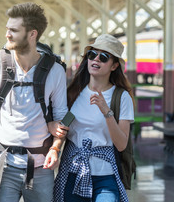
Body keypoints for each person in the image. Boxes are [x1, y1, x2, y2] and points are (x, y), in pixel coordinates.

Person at [0, 2, 68, 202]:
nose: (7, 34)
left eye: (14, 30)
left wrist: (56, 148)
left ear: (32, 34)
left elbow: (62, 117)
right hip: (2, 164)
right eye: (7, 29)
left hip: (41, 167)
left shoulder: (55, 71)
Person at [53, 34, 135, 202]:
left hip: (106, 176)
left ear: (114, 66)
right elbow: (64, 128)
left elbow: (121, 144)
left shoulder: (121, 97)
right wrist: (54, 148)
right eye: (92, 55)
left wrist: (107, 112)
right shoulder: (74, 93)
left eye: (104, 57)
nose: (96, 59)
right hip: (72, 171)